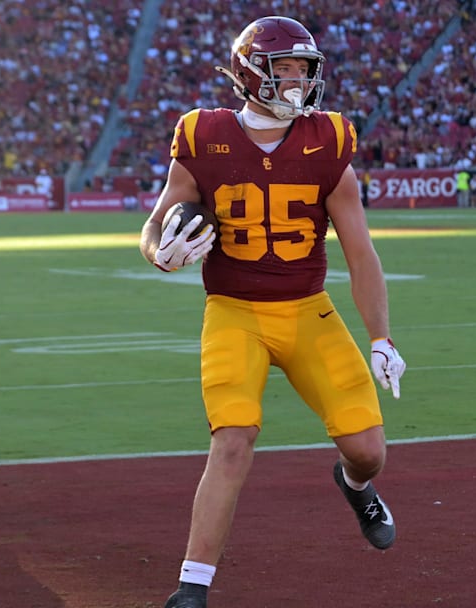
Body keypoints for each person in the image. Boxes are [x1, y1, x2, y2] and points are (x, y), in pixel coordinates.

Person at [137, 16, 406, 608]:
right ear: (250, 72)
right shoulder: (202, 135)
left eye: (304, 71)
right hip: (234, 310)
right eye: (284, 69)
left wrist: (382, 337)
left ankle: (355, 485)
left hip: (308, 308)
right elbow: (155, 225)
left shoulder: (329, 138)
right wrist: (161, 254)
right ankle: (192, 587)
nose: (297, 83)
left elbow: (360, 252)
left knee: (368, 451)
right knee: (233, 439)